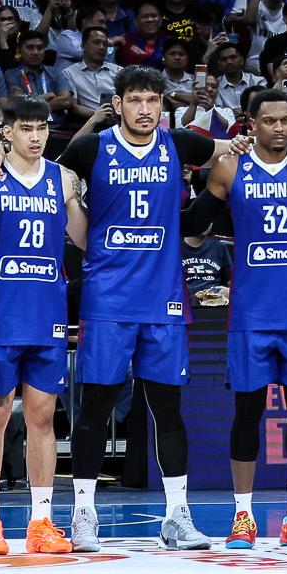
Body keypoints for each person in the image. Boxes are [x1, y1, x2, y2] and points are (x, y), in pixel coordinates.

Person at [57, 66, 210, 548]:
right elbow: (44, 175)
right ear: (117, 103)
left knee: (168, 410)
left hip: (162, 298)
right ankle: (84, 515)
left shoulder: (181, 143)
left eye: (153, 100)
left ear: (162, 104)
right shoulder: (91, 148)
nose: (145, 109)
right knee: (96, 409)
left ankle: (177, 516)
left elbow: (235, 157)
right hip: (107, 298)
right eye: (135, 100)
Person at [202, 87, 287, 547]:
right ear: (250, 123)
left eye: (286, 120)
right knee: (247, 413)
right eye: (270, 120)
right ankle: (243, 516)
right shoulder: (230, 168)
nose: (280, 127)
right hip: (251, 312)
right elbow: (196, 224)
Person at [0, 94, 87, 555]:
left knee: (42, 418)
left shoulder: (62, 179)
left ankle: (41, 522)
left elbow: (82, 238)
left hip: (47, 315)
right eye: (25, 128)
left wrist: (77, 200)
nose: (35, 136)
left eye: (41, 128)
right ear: (7, 133)